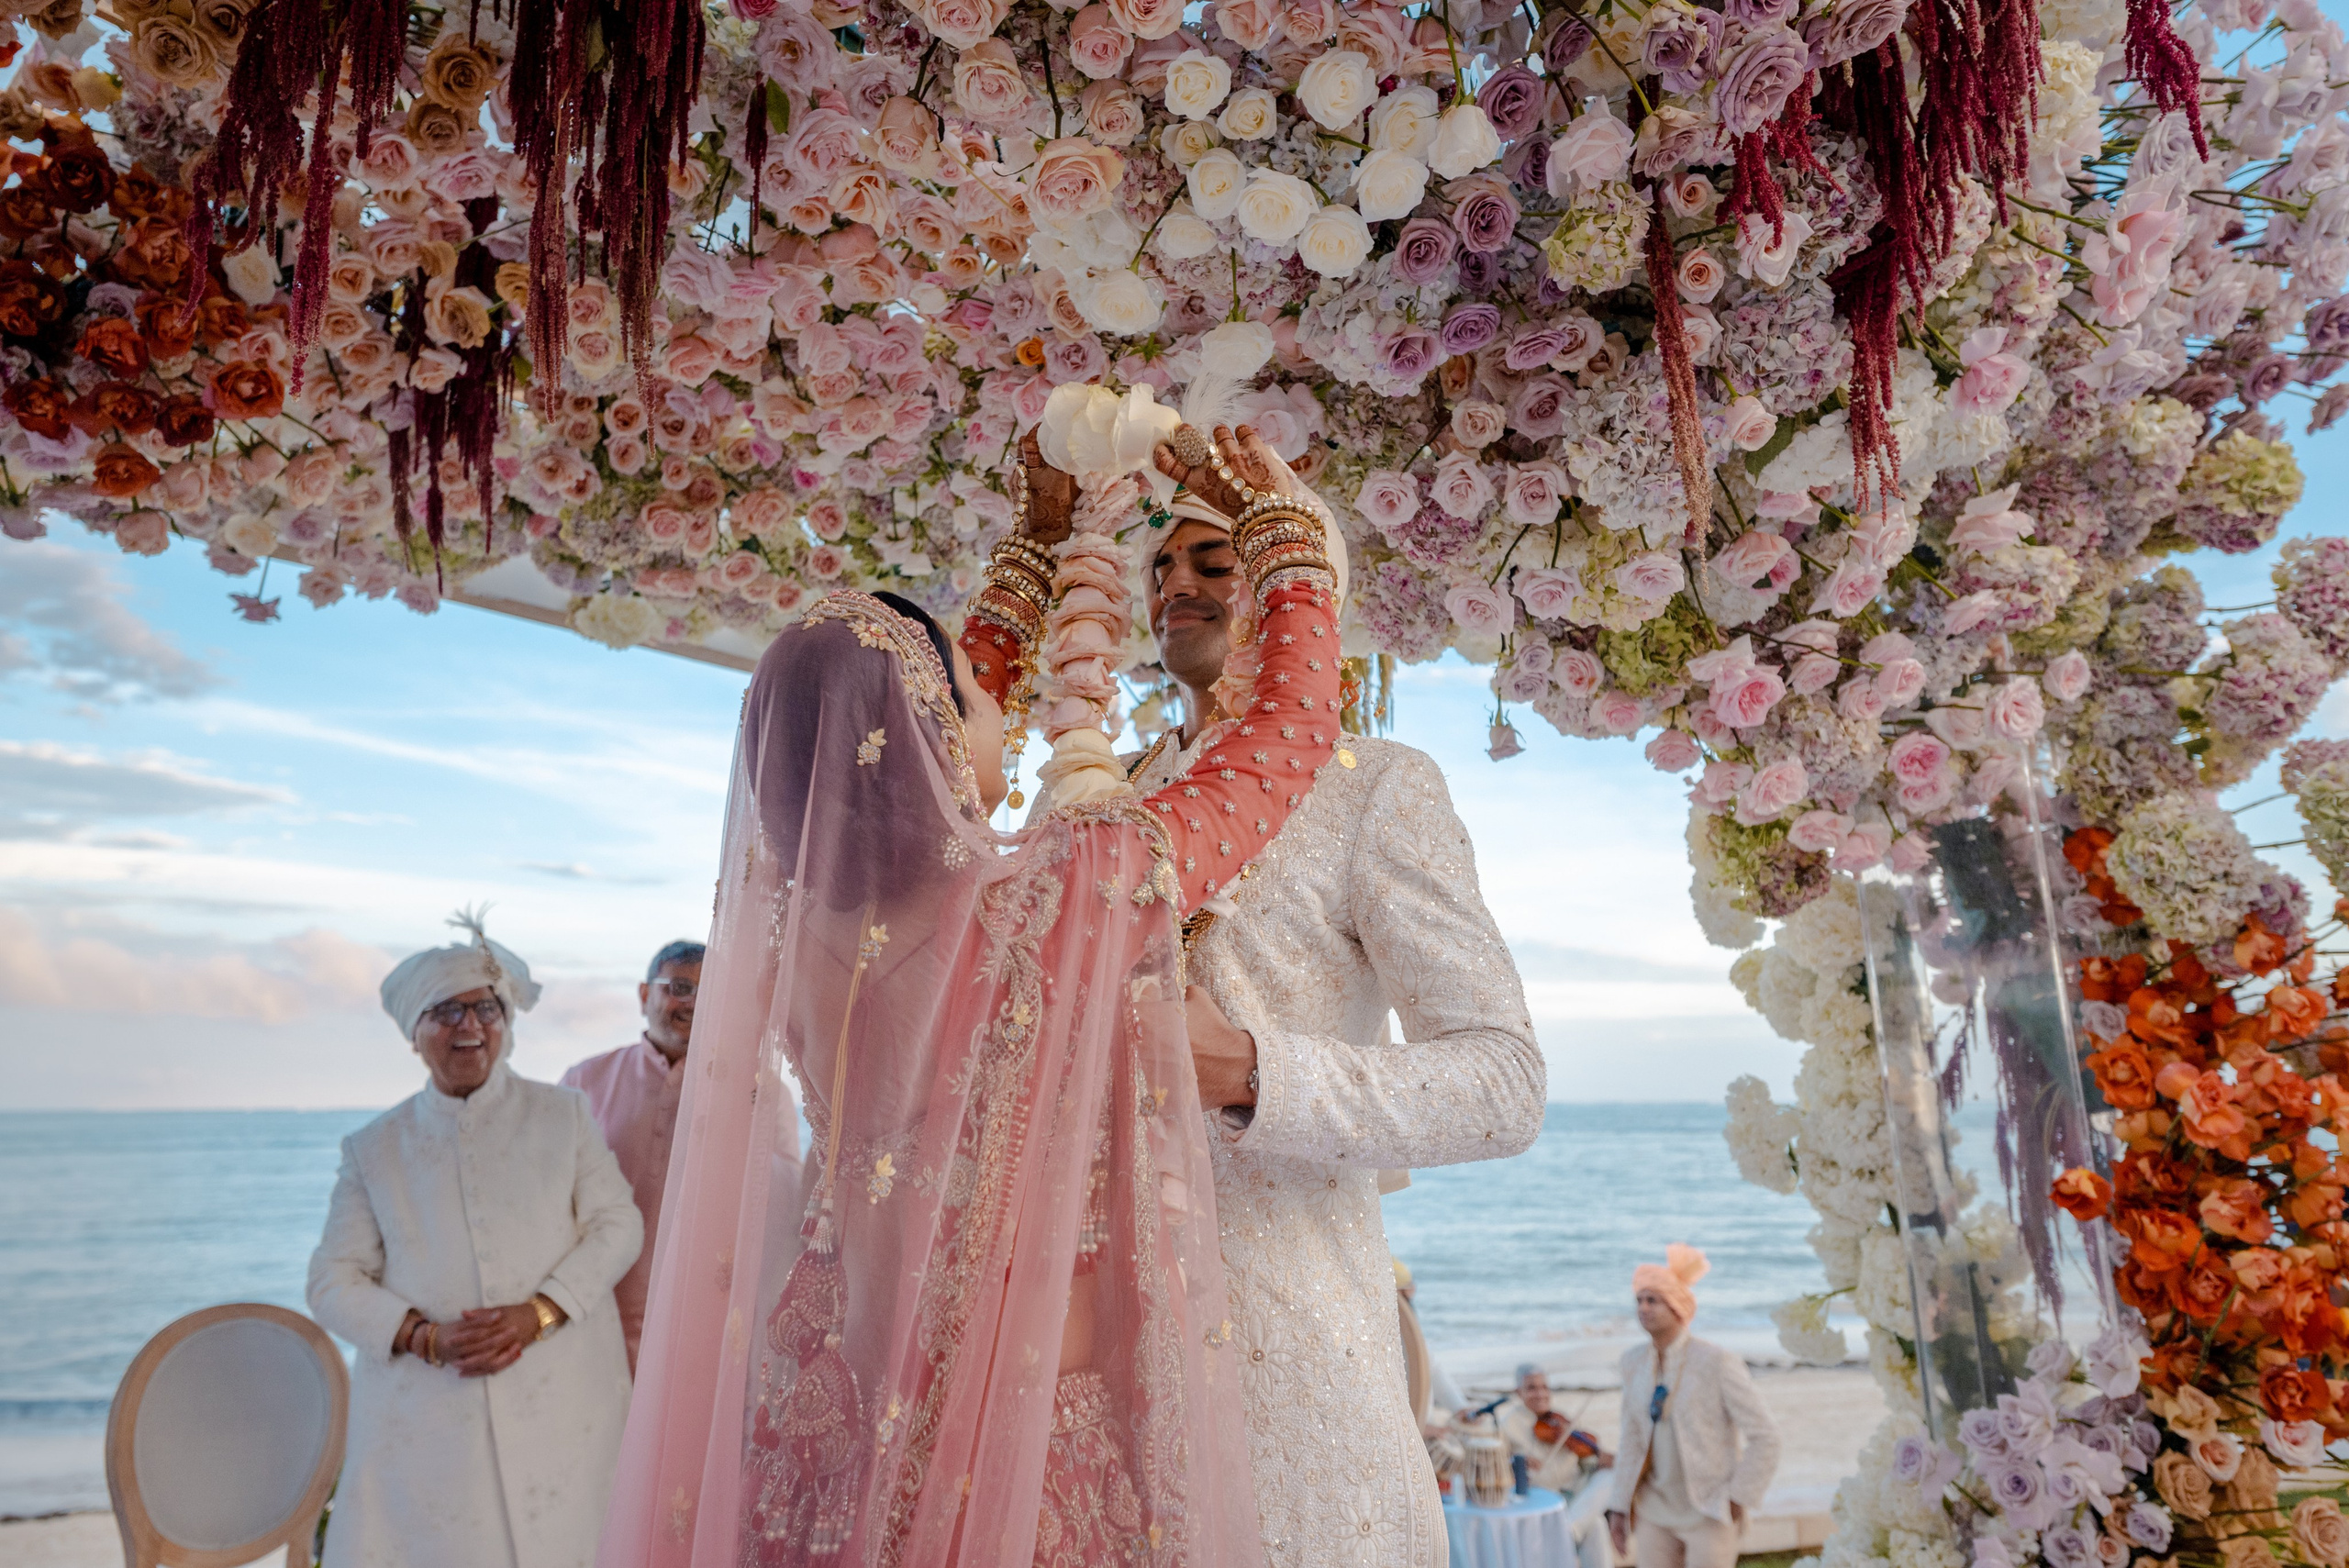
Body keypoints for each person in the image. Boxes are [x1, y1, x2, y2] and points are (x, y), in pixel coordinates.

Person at [597, 422, 1342, 1567]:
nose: (993, 698)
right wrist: (1286, 541)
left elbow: (890, 745)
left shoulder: (798, 938)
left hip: (856, 1414)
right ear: (934, 734)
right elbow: (1284, 741)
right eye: (970, 692)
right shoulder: (1064, 898)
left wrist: (1033, 553)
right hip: (1026, 1446)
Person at [958, 427, 1547, 1567]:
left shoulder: (1377, 788)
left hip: (1292, 1352)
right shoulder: (1096, 802)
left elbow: (1503, 1083)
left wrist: (1251, 1071)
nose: (1174, 581)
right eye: (1162, 565)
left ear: (1293, 580)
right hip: (1091, 1359)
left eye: (1214, 561)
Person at [307, 915, 644, 1568]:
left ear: (507, 1022)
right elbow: (331, 1279)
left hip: (565, 1396)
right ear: (414, 1034)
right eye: (446, 1011)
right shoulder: (375, 1148)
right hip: (429, 1420)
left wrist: (540, 1310)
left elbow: (618, 1223)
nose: (470, 1026)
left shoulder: (564, 1114)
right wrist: (421, 1335)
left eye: (486, 1008)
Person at [562, 939, 783, 1373]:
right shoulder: (585, 1079)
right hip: (596, 1306)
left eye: (711, 990)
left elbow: (780, 1201)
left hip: (704, 1315)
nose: (694, 1003)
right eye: (679, 987)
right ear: (646, 995)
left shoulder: (759, 1090)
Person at [1606, 1246, 1782, 1568]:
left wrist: (1738, 1498)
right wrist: (1619, 1505)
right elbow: (1630, 1438)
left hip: (1709, 1509)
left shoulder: (1716, 1362)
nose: (1643, 1308)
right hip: (1653, 1509)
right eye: (1639, 1300)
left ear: (1677, 1307)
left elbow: (1766, 1436)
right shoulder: (1632, 1363)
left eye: (1653, 1300)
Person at [1497, 1363, 1615, 1568]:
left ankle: (1570, 1529)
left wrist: (1596, 1456)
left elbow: (1587, 1460)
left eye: (1544, 1387)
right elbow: (1495, 1465)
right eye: (1532, 1388)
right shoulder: (1509, 1425)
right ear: (1519, 1392)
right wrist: (1513, 1462)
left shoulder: (1560, 1422)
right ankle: (1571, 1530)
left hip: (1575, 1496)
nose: (1540, 1393)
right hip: (1542, 1500)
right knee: (1596, 1525)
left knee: (1613, 1475)